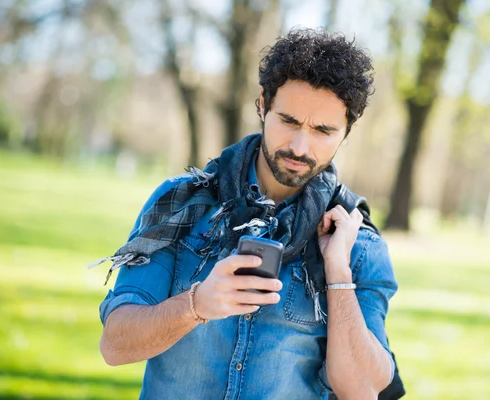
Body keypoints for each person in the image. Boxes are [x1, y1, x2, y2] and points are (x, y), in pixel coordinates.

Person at [94, 28, 399, 400]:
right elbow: (115, 344)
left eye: (323, 130)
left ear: (346, 132)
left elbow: (362, 389)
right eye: (288, 121)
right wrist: (196, 304)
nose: (300, 147)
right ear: (262, 105)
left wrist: (337, 271)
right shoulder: (183, 203)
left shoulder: (357, 242)